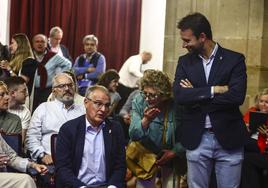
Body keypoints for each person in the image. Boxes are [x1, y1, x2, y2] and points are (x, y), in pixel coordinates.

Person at [173, 12, 248, 188]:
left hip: (229, 138)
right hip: (197, 139)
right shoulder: (184, 62)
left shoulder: (234, 60)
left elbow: (237, 96)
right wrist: (215, 90)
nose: (184, 45)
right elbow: (180, 95)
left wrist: (196, 95)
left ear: (202, 37)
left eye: (187, 40)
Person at [56, 85, 126, 188]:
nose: (103, 109)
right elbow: (63, 168)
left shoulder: (115, 129)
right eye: (98, 104)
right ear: (86, 103)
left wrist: (112, 186)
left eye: (107, 105)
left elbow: (120, 166)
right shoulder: (69, 129)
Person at [129, 69, 185, 188]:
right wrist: (146, 120)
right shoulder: (139, 100)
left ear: (164, 95)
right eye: (145, 93)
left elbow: (188, 133)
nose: (148, 98)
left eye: (153, 95)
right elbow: (133, 134)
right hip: (145, 154)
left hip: (169, 155)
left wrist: (175, 151)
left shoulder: (176, 105)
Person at [25, 73, 85, 164]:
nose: (67, 89)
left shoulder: (83, 110)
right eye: (62, 86)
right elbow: (31, 137)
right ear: (53, 91)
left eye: (70, 85)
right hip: (50, 161)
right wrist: (42, 155)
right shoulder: (43, 108)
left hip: (79, 161)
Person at [32, 34, 72, 111]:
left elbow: (68, 64)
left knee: (48, 111)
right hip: (33, 91)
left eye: (42, 42)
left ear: (46, 43)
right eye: (37, 41)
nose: (40, 44)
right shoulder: (29, 56)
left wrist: (60, 77)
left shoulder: (53, 56)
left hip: (48, 90)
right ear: (33, 43)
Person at [0, 33, 38, 111]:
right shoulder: (16, 60)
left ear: (20, 45)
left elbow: (22, 81)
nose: (10, 46)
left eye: (12, 43)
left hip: (21, 102)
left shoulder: (29, 61)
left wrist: (9, 69)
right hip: (12, 100)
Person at [240, 88, 268, 188]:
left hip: (264, 152)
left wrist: (266, 134)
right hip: (250, 147)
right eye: (261, 101)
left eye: (267, 102)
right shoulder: (251, 112)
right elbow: (241, 129)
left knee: (246, 159)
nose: (263, 104)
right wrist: (246, 128)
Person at [5, 77, 31, 143]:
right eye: (23, 91)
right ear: (13, 93)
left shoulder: (25, 112)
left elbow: (20, 142)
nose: (27, 94)